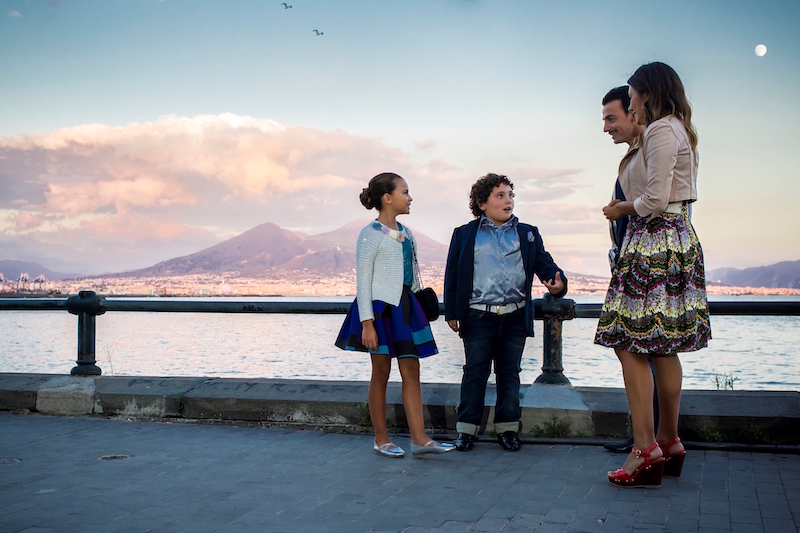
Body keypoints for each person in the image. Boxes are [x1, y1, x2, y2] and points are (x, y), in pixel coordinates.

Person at [596, 63, 711, 487]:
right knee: (661, 347)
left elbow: (655, 200)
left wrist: (619, 209)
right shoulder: (676, 129)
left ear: (648, 92)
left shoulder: (662, 130)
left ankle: (645, 449)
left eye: (632, 96)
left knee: (626, 341)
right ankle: (667, 440)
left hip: (654, 240)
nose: (632, 104)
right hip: (672, 239)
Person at [444, 173, 567, 452]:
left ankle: (508, 428)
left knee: (509, 373)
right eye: (500, 195)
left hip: (515, 315)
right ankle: (466, 429)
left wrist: (558, 284)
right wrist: (452, 312)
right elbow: (453, 274)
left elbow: (544, 264)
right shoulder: (464, 234)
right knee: (474, 372)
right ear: (482, 203)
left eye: (511, 195)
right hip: (478, 315)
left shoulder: (527, 233)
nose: (508, 200)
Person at [335, 172, 455, 458]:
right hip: (379, 309)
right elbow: (363, 282)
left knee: (412, 370)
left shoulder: (407, 233)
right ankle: (381, 439)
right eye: (405, 192)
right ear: (387, 198)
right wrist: (367, 324)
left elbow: (411, 273)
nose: (410, 197)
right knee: (381, 372)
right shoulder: (369, 234)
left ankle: (420, 440)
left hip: (406, 307)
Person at [600, 85, 659, 455]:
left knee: (643, 349)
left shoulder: (652, 149)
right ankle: (647, 436)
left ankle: (650, 441)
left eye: (612, 118)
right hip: (630, 261)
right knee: (640, 350)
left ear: (633, 112)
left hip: (645, 264)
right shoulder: (634, 156)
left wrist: (620, 209)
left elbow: (655, 205)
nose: (606, 127)